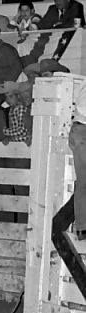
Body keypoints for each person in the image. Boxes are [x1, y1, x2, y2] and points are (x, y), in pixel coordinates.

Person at [71, 80, 86, 239]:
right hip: (82, 129)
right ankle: (82, 226)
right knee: (84, 180)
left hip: (81, 129)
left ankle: (82, 227)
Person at [0, 81, 32, 146]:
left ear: (18, 96)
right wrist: (9, 137)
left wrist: (4, 131)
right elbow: (14, 129)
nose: (8, 100)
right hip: (17, 142)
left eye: (11, 96)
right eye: (6, 97)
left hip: (24, 142)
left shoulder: (21, 108)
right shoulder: (11, 109)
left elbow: (22, 130)